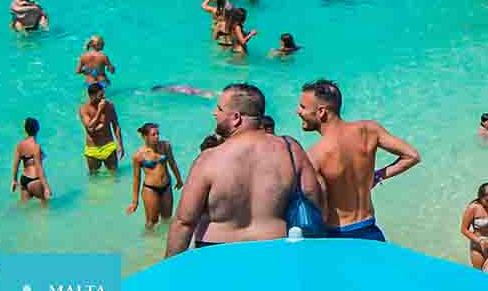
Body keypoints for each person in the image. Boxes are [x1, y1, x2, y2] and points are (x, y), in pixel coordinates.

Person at [167, 83, 327, 255]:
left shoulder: (208, 159)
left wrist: (168, 267)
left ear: (236, 117)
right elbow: (312, 197)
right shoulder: (290, 149)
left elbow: (184, 222)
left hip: (217, 252)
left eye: (219, 109)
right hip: (273, 248)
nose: (214, 113)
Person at [296, 78, 422, 242]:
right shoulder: (369, 130)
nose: (298, 111)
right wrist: (377, 176)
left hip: (338, 237)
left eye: (303, 107)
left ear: (321, 112)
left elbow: (321, 208)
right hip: (370, 230)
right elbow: (412, 156)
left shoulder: (315, 155)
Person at [125, 122, 183, 229]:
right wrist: (135, 202)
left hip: (166, 187)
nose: (157, 137)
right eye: (153, 134)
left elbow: (172, 163)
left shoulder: (165, 146)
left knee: (167, 218)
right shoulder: (138, 155)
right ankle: (148, 239)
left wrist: (179, 179)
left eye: (158, 134)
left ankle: (163, 238)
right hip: (150, 189)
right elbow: (136, 179)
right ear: (145, 137)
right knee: (152, 221)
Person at [78, 81, 123, 173]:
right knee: (94, 176)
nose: (103, 98)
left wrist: (120, 144)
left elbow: (116, 125)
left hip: (109, 146)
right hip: (92, 149)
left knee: (114, 174)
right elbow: (90, 129)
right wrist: (99, 110)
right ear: (92, 96)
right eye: (100, 96)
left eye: (103, 95)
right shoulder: (84, 109)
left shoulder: (109, 106)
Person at [461, 182, 488, 269]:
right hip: (479, 245)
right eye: (487, 200)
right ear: (480, 197)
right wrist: (480, 241)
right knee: (479, 272)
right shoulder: (473, 208)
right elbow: (464, 230)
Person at [11, 117, 50, 204]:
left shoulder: (20, 145)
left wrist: (14, 180)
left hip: (24, 179)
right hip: (35, 179)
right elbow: (39, 168)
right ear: (37, 129)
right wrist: (46, 187)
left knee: (23, 207)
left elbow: (15, 165)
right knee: (45, 205)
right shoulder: (36, 146)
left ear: (25, 130)